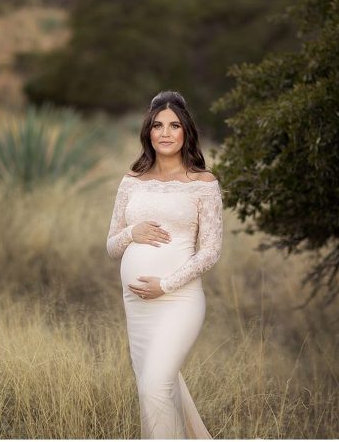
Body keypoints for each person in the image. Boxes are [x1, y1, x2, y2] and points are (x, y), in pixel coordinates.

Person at [106, 91, 223, 439]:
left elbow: (211, 251)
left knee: (154, 385)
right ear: (148, 132)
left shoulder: (203, 183)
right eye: (158, 126)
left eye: (174, 125)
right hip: (138, 307)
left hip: (178, 301)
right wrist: (132, 231)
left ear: (186, 131)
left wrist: (166, 285)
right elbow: (112, 246)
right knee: (159, 389)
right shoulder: (132, 181)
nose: (166, 132)